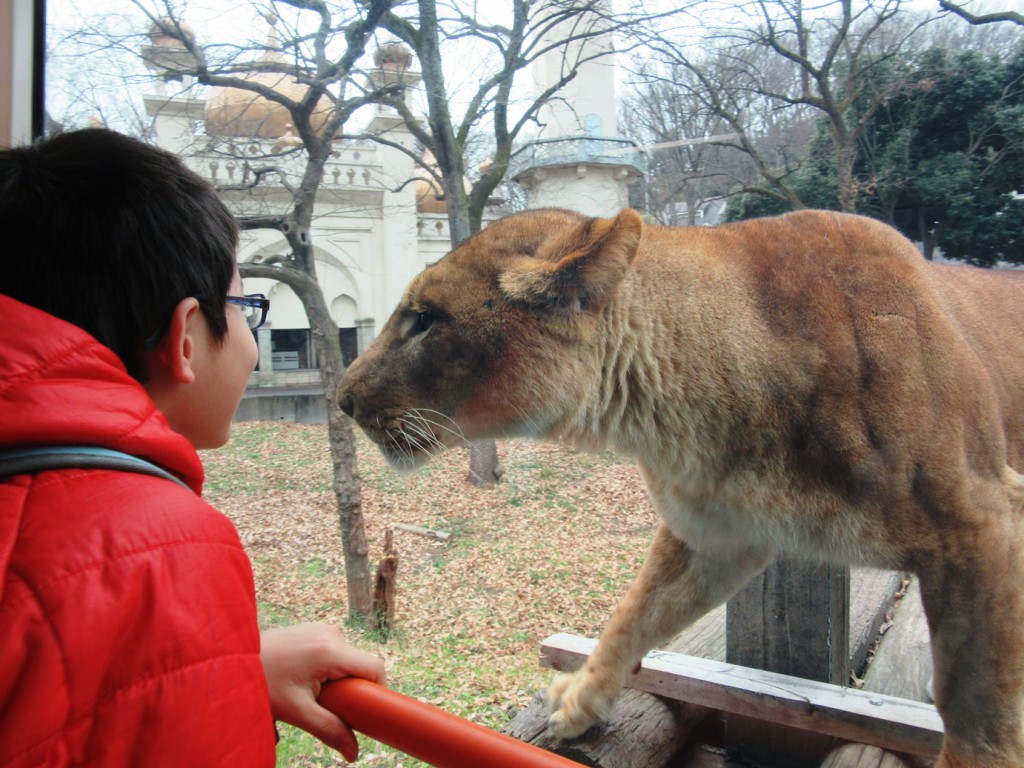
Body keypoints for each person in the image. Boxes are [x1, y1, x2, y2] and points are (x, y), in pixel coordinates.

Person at [0, 128, 385, 766]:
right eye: (242, 307)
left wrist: (217, 667)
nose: (249, 336)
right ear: (185, 338)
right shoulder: (161, 546)